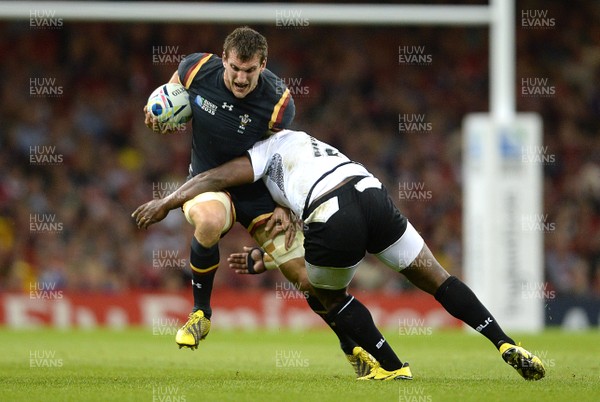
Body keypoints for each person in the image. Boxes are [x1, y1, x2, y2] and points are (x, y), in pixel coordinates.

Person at [133, 128, 546, 381]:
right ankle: (505, 343)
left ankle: (392, 365)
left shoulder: (258, 154)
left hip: (331, 209)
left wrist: (168, 202)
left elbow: (216, 176)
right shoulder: (301, 141)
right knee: (438, 278)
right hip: (370, 191)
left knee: (325, 295)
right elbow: (288, 213)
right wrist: (265, 258)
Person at [142, 26, 379, 378]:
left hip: (258, 190)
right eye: (235, 68)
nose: (240, 77)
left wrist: (285, 205)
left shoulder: (277, 101)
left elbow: (279, 154)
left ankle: (352, 346)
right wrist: (156, 108)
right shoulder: (196, 68)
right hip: (206, 181)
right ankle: (201, 315)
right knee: (208, 221)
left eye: (249, 71)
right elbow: (171, 89)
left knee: (306, 277)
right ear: (223, 59)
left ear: (263, 65)